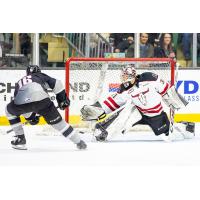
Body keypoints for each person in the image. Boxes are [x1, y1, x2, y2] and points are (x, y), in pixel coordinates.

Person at [81, 65, 195, 142]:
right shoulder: (123, 89)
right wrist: (98, 109)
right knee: (127, 110)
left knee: (167, 135)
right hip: (137, 112)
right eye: (123, 76)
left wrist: (173, 99)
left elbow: (165, 88)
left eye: (125, 76)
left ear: (131, 75)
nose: (123, 78)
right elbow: (112, 103)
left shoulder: (149, 77)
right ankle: (103, 131)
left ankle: (186, 127)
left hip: (156, 116)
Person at [5, 65, 87, 150]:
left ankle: (20, 140)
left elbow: (21, 104)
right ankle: (79, 142)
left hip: (24, 103)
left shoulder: (20, 82)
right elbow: (57, 83)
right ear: (39, 71)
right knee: (59, 124)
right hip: (43, 101)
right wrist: (62, 100)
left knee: (9, 111)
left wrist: (31, 118)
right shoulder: (40, 76)